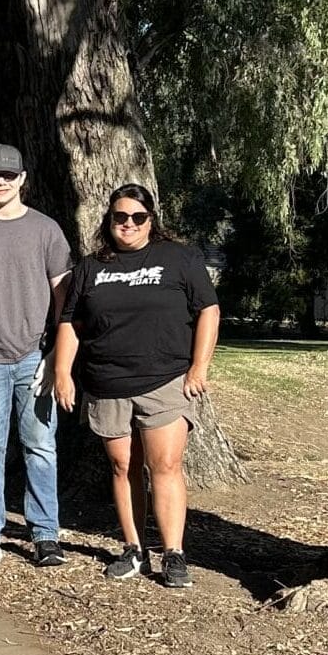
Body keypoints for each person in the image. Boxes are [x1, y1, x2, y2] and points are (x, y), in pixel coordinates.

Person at [53, 184, 219, 589]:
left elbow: (208, 311)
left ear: (151, 220)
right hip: (107, 382)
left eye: (137, 217)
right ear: (108, 220)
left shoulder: (179, 258)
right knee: (123, 466)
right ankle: (133, 548)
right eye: (119, 217)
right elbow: (70, 324)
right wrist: (62, 372)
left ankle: (174, 553)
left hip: (164, 381)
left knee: (163, 466)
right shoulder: (91, 267)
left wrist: (199, 367)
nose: (127, 224)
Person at [0, 145, 73, 571]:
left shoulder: (46, 231)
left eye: (9, 175)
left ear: (23, 179)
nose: (1, 182)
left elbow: (64, 297)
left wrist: (56, 352)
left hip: (34, 356)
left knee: (40, 446)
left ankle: (45, 534)